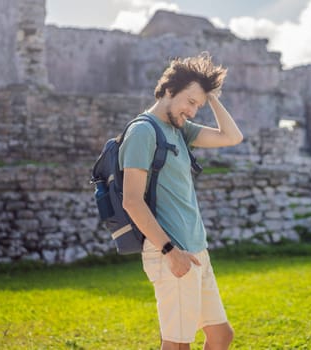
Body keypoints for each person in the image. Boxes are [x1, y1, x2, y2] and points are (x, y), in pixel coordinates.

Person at [119, 53, 243, 350]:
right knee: (177, 346)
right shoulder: (142, 132)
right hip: (171, 252)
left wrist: (209, 95)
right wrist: (170, 252)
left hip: (196, 249)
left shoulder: (179, 129)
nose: (193, 111)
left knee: (221, 336)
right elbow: (132, 201)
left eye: (198, 105)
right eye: (190, 101)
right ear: (168, 91)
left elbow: (232, 136)